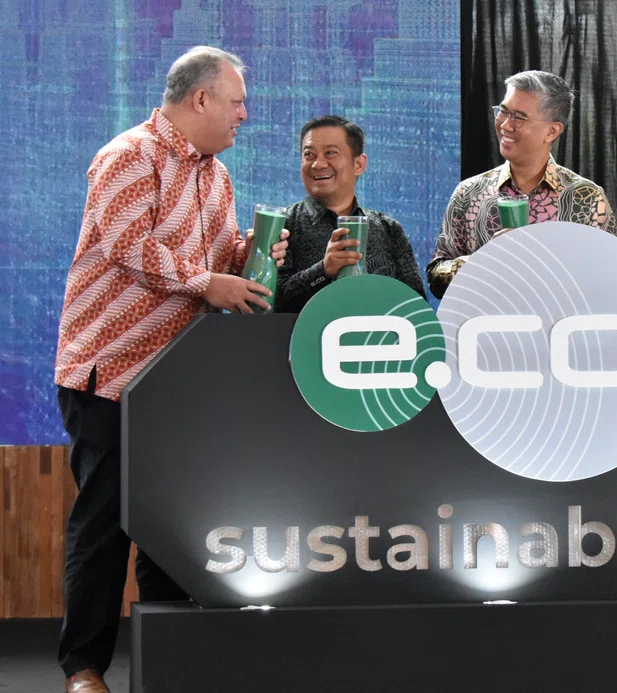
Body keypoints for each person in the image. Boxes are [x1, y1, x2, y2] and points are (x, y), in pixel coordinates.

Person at [54, 46, 288, 693]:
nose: (246, 113)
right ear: (200, 99)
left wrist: (250, 253)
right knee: (104, 525)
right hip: (110, 371)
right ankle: (84, 667)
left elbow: (217, 259)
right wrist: (206, 280)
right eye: (237, 100)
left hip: (180, 384)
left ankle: (168, 660)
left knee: (172, 527)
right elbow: (128, 247)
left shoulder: (218, 178)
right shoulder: (128, 155)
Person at [427, 70, 617, 299]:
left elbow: (613, 281)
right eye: (503, 112)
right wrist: (481, 261)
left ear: (552, 131)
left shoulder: (586, 198)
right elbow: (435, 280)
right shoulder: (469, 193)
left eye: (519, 117)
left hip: (561, 332)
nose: (506, 125)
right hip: (482, 331)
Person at [276, 115, 425, 312]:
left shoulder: (389, 229)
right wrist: (323, 270)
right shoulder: (282, 226)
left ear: (359, 164)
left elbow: (416, 306)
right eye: (309, 155)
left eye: (330, 153)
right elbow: (266, 304)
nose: (318, 164)